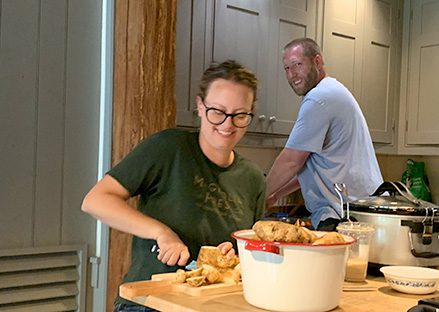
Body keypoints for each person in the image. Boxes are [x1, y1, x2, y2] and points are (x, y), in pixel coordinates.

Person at [81, 60, 266, 312]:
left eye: (240, 114)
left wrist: (233, 256)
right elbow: (96, 200)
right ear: (200, 107)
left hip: (214, 305)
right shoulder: (168, 149)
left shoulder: (253, 178)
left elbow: (252, 250)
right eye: (218, 111)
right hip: (148, 304)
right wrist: (162, 233)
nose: (227, 123)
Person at [265, 38, 383, 231]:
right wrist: (276, 195)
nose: (291, 74)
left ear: (317, 62)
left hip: (345, 217)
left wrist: (259, 198)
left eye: (297, 65)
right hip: (360, 214)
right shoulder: (332, 91)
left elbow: (291, 161)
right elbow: (311, 167)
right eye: (286, 68)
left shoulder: (319, 99)